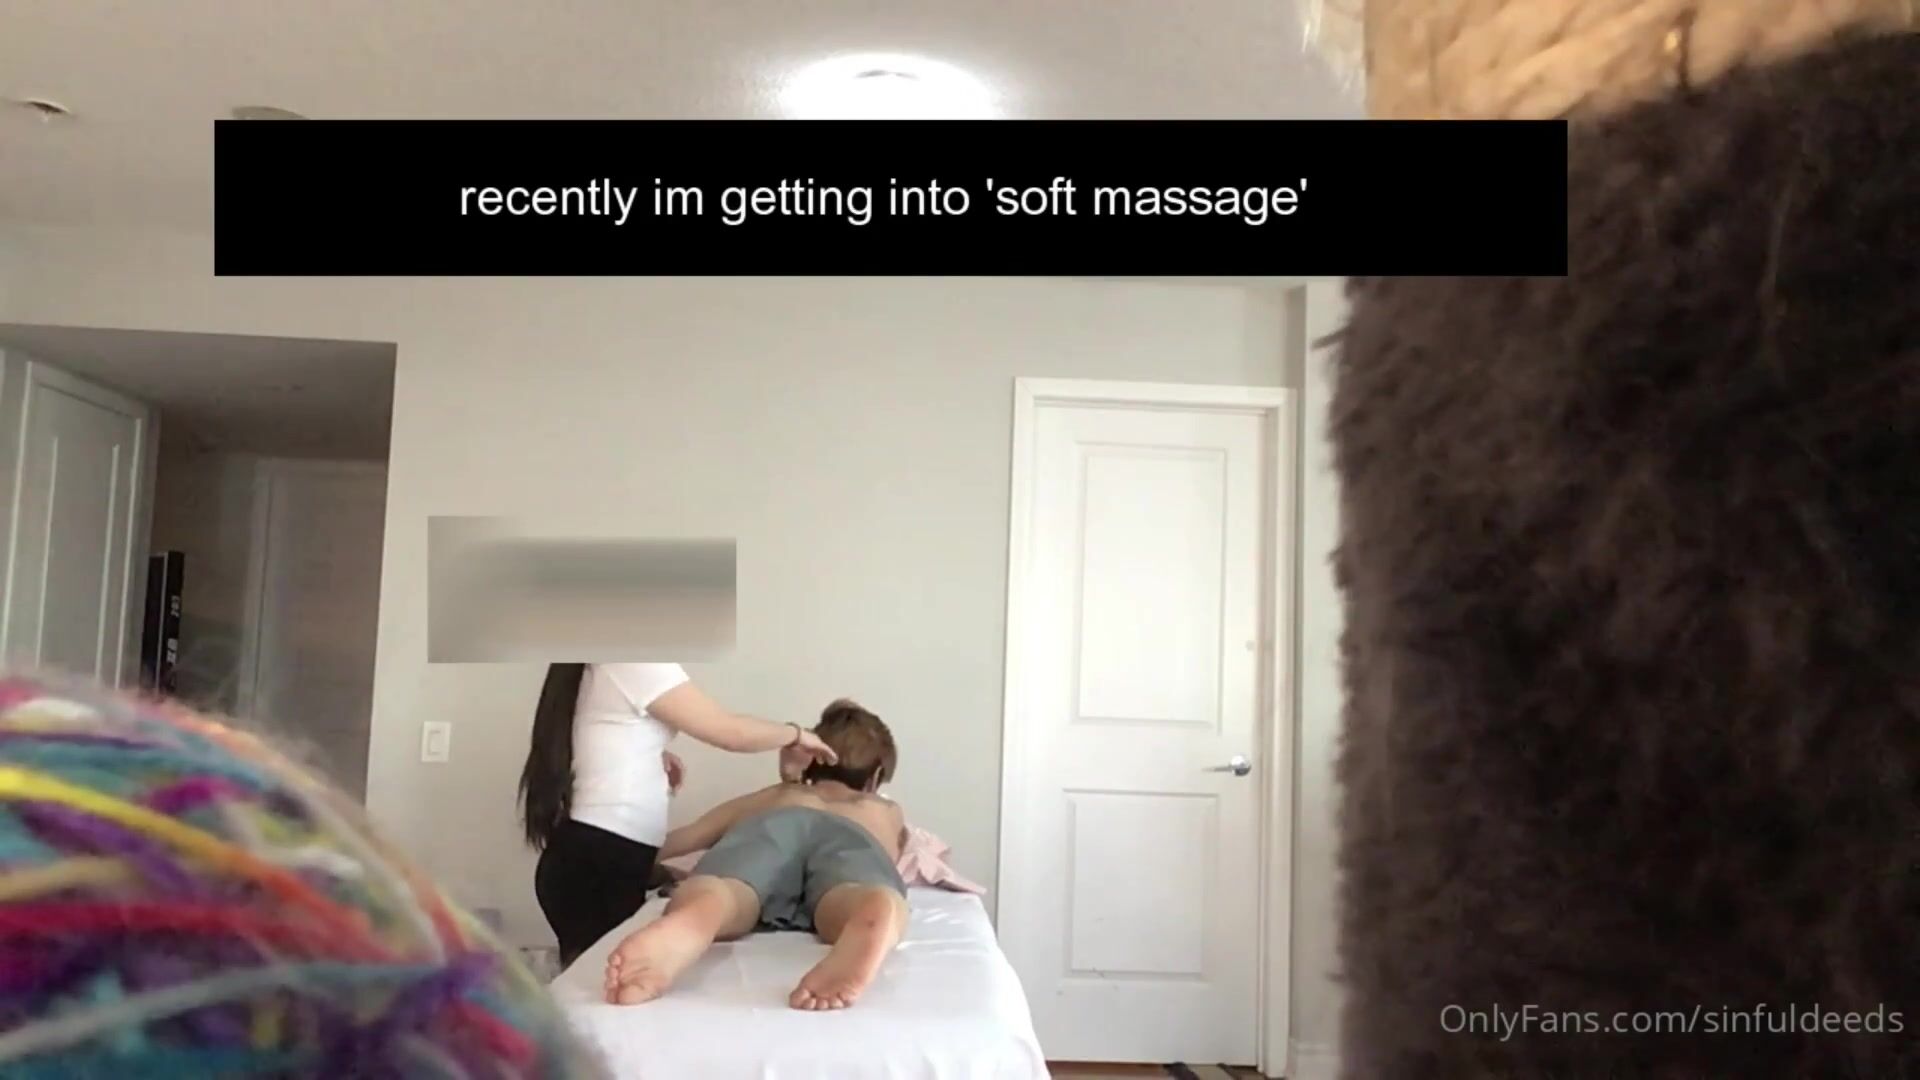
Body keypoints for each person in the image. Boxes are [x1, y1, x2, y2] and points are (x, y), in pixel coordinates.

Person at [518, 662, 839, 967]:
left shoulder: (608, 663)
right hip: (597, 866)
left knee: (597, 989)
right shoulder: (634, 660)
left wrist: (651, 756)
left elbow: (598, 730)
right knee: (605, 992)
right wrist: (796, 735)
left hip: (591, 859)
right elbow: (729, 731)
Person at [601, 698, 907, 1011]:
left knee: (729, 889)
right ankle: (869, 908)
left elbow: (682, 839)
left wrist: (633, 860)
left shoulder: (777, 796)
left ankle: (703, 910)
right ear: (876, 777)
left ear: (812, 758)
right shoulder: (883, 810)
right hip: (852, 836)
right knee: (857, 891)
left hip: (774, 825)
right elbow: (895, 857)